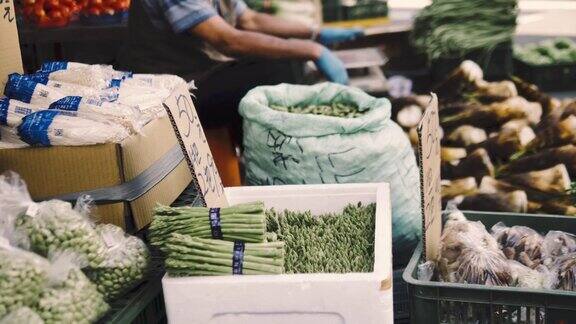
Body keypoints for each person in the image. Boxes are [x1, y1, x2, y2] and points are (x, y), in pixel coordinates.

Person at [116, 0, 363, 127]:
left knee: (286, 62)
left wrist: (313, 33)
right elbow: (227, 40)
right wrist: (312, 50)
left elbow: (251, 20)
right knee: (279, 67)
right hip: (170, 93)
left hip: (200, 75)